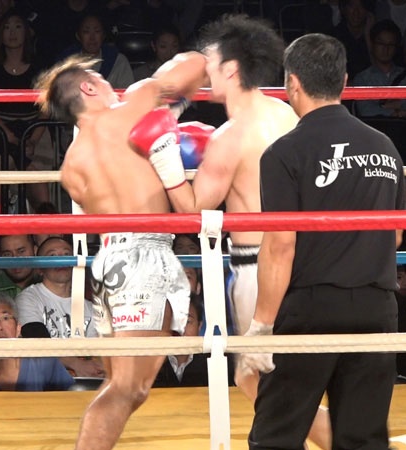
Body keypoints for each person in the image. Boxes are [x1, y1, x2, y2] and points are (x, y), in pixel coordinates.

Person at [139, 15, 331, 449]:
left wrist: (164, 153)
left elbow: (193, 212)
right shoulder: (286, 113)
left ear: (230, 68)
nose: (204, 70)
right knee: (275, 377)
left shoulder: (231, 136)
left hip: (257, 270)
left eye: (210, 61)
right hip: (305, 261)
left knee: (253, 376)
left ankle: (346, 442)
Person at [33, 50, 206, 449]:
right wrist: (166, 106)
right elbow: (195, 64)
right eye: (103, 80)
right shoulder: (131, 109)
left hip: (109, 260)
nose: (114, 87)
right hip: (145, 256)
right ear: (88, 87)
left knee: (128, 386)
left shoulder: (71, 167)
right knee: (126, 388)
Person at [242, 33, 405, 450]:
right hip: (377, 306)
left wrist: (261, 326)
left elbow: (280, 244)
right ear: (345, 81)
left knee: (276, 437)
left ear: (292, 83)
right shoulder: (385, 147)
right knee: (363, 439)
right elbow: (396, 233)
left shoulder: (284, 152)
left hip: (312, 308)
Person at [0, 9, 52, 213]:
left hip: (34, 127)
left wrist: (32, 140)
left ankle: (45, 222)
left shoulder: (40, 66)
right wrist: (8, 135)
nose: (12, 32)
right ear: (0, 34)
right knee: (1, 167)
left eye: (18, 27)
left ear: (26, 32)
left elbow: (46, 109)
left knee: (36, 171)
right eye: (7, 28)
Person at [15, 236, 103, 378]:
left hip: (83, 381)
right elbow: (38, 343)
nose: (61, 260)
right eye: (52, 256)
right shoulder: (28, 298)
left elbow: (95, 353)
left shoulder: (90, 307)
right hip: (45, 380)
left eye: (66, 255)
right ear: (40, 268)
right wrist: (76, 364)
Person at [353, 19, 406, 120]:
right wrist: (396, 112)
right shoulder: (362, 79)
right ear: (372, 45)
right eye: (381, 43)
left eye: (391, 44)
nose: (386, 48)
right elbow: (366, 110)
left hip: (405, 128)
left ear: (396, 48)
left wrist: (382, 107)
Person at [57, 13, 134, 89]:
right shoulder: (66, 63)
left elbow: (128, 93)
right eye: (86, 32)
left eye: (97, 31)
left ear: (103, 35)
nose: (92, 38)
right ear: (78, 36)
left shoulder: (118, 61)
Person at [0, 234, 39, 298]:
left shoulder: (45, 281)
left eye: (21, 251)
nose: (15, 260)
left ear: (35, 250)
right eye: (7, 254)